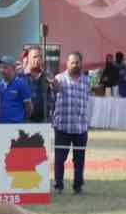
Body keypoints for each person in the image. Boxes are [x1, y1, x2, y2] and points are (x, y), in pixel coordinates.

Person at [51, 52, 91, 195]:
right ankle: (58, 185)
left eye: (78, 62)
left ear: (81, 63)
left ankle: (78, 185)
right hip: (62, 126)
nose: (75, 65)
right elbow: (54, 93)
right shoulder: (59, 79)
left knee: (79, 159)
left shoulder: (87, 80)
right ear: (66, 63)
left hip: (80, 127)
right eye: (72, 62)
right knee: (60, 158)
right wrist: (54, 87)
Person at [0, 55, 32, 123]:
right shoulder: (1, 84)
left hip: (16, 126)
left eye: (5, 67)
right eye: (0, 67)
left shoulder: (21, 84)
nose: (2, 70)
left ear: (13, 68)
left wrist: (21, 120)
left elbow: (29, 107)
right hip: (1, 125)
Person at [24, 46, 53, 123]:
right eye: (35, 57)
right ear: (28, 59)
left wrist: (51, 80)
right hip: (26, 120)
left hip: (44, 120)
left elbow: (57, 90)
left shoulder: (47, 75)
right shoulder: (21, 76)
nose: (38, 59)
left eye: (40, 57)